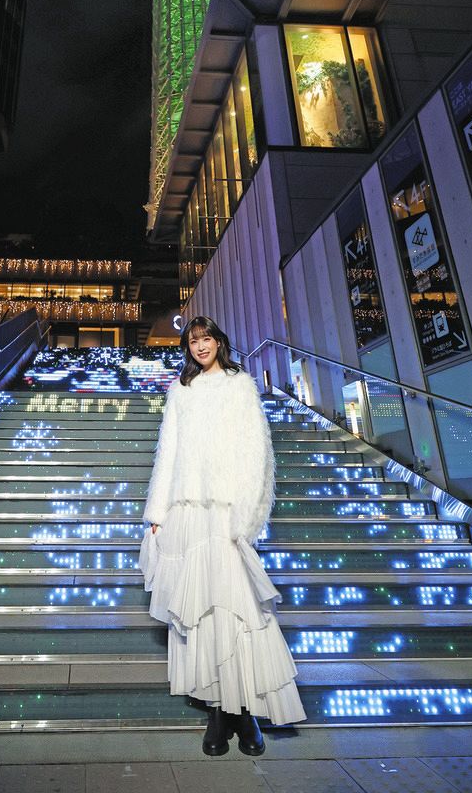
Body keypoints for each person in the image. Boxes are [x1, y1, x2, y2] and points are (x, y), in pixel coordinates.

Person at [139, 315, 306, 756]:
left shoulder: (239, 386)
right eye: (193, 341)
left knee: (238, 609)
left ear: (219, 342)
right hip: (188, 511)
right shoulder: (181, 390)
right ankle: (217, 709)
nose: (200, 346)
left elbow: (257, 452)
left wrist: (248, 516)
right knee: (201, 613)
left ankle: (245, 710)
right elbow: (168, 450)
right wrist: (158, 510)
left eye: (206, 338)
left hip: (227, 512)